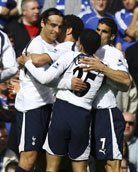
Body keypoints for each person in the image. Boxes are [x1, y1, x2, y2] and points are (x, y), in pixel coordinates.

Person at [18, 28, 104, 172]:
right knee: (80, 169)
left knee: (51, 167)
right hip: (82, 118)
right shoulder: (102, 69)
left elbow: (45, 79)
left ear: (80, 44)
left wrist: (27, 62)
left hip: (62, 113)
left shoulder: (70, 55)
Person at [14, 8, 64, 172]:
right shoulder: (35, 45)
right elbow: (45, 79)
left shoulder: (57, 46)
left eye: (59, 27)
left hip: (48, 106)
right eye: (53, 25)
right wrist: (67, 83)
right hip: (32, 107)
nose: (56, 30)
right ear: (42, 23)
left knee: (44, 161)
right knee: (29, 159)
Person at [80, 18, 131, 172]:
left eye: (105, 31)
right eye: (98, 30)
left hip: (105, 111)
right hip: (86, 111)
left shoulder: (113, 53)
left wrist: (102, 68)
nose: (100, 34)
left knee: (111, 163)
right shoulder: (86, 49)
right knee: (96, 164)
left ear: (112, 36)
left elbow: (126, 80)